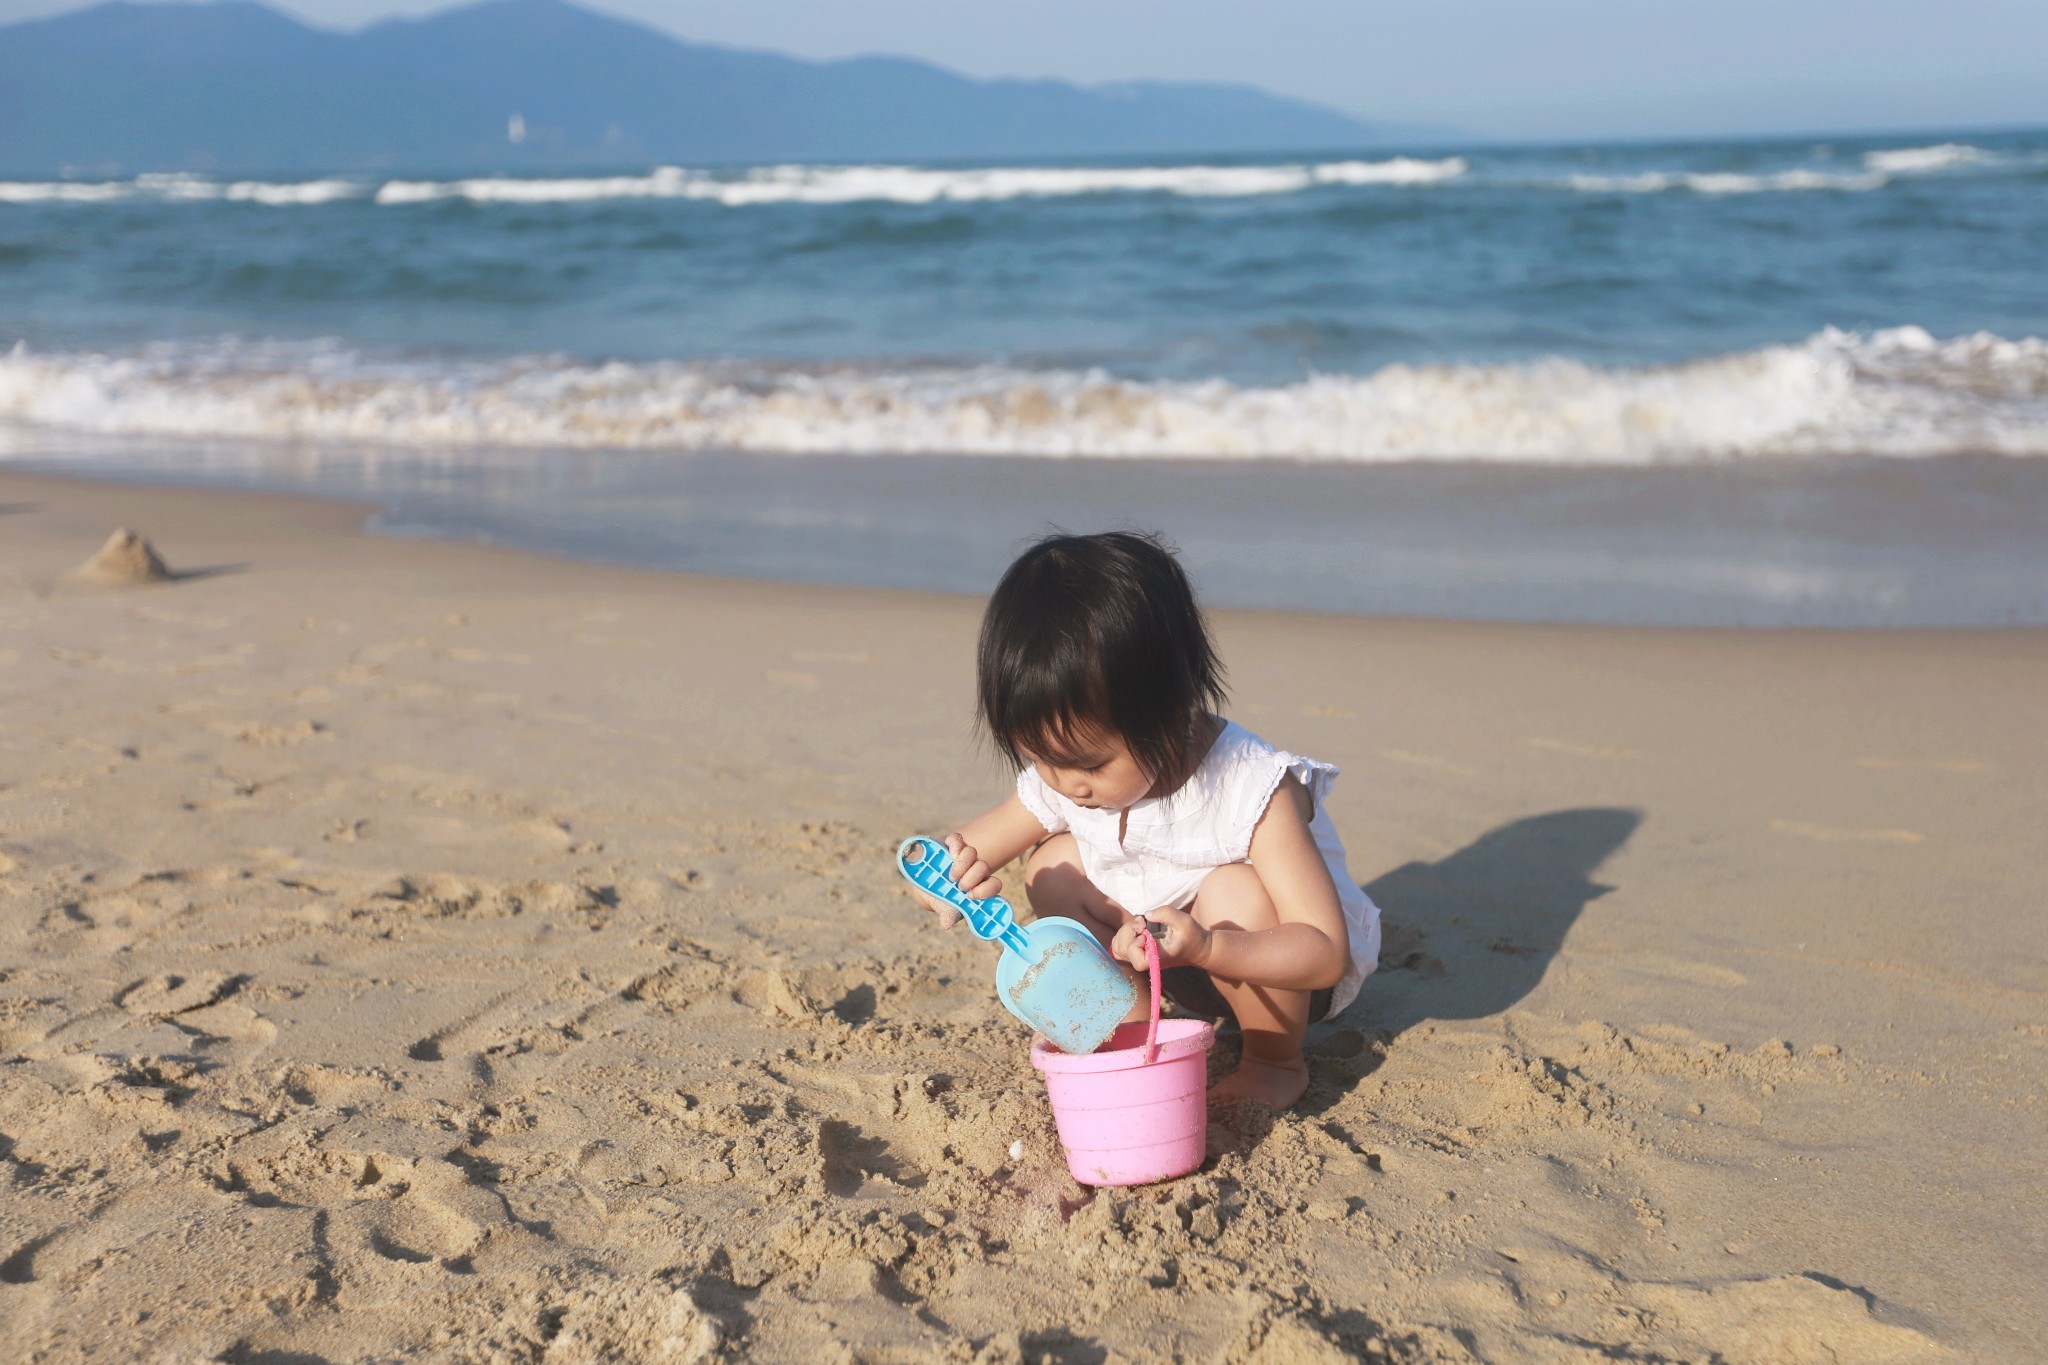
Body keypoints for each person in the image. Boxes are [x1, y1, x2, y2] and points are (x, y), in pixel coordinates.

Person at [908, 530, 1381, 1108]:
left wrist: (1208, 948)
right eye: (1041, 760)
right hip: (1162, 960)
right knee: (1053, 864)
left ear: (1173, 714)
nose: (1066, 784)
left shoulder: (1252, 787)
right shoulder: (1068, 775)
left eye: (1090, 763)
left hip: (1276, 972)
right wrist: (941, 885)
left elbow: (1323, 950)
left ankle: (1273, 1061)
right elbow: (960, 854)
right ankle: (1132, 1025)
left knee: (1234, 889)